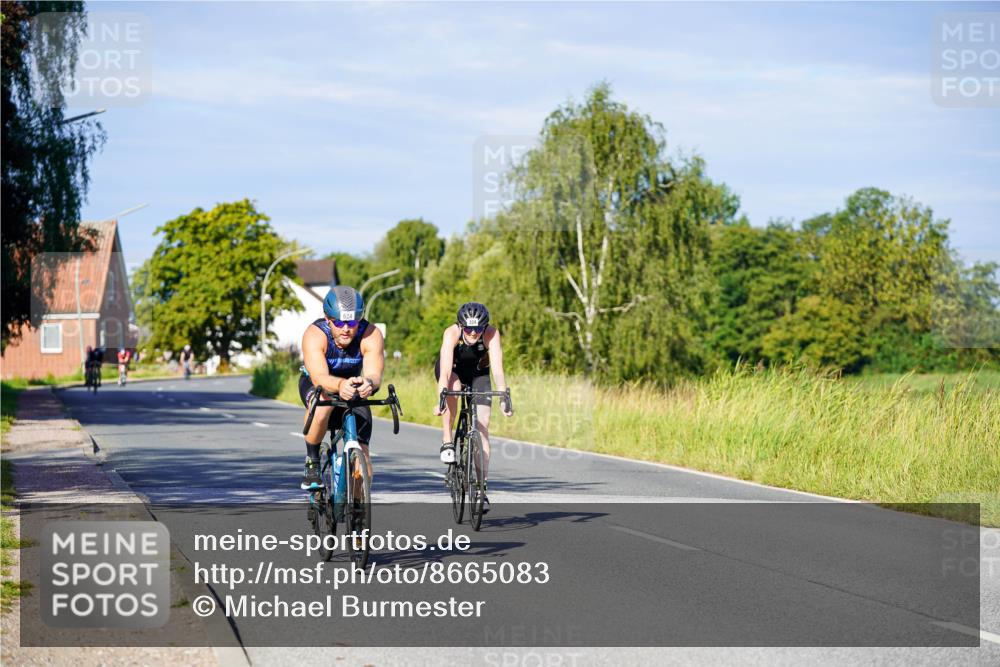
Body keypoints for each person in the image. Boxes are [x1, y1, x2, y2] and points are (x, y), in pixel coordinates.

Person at [299, 285, 384, 490]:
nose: (346, 328)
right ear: (328, 319)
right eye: (339, 322)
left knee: (363, 454)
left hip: (353, 386)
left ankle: (359, 508)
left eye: (352, 321)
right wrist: (339, 384)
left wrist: (369, 383)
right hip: (318, 384)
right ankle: (313, 461)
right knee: (323, 405)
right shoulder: (315, 334)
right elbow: (319, 377)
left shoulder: (370, 333)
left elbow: (374, 373)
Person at [433, 302, 511, 512]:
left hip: (478, 374)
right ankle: (448, 439)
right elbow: (445, 373)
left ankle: (481, 488)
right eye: (468, 329)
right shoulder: (451, 333)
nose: (474, 333)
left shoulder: (491, 334)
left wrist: (504, 394)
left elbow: (497, 370)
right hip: (454, 372)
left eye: (478, 329)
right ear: (461, 326)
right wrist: (441, 396)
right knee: (453, 387)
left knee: (483, 426)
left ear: (484, 327)